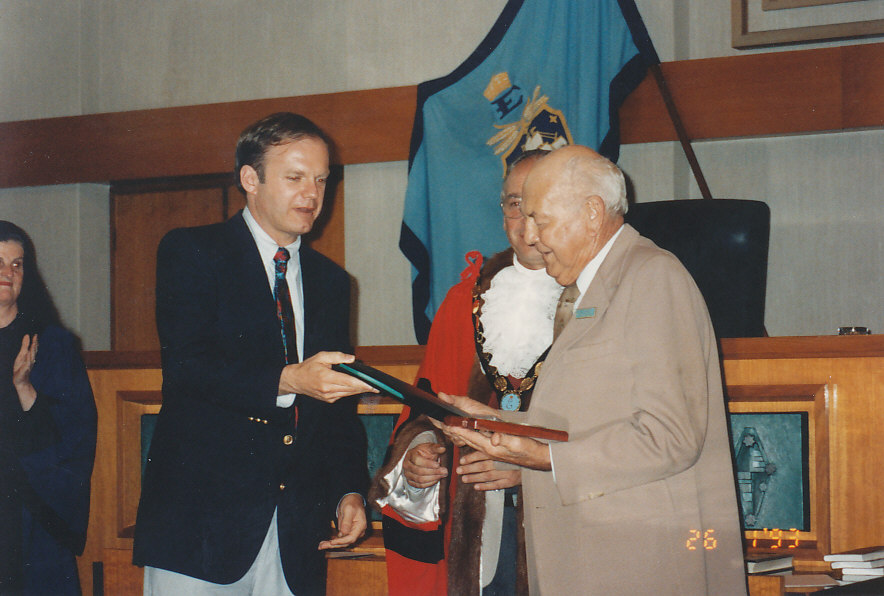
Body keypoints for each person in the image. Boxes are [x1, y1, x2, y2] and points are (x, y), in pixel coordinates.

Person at [438, 145, 748, 595]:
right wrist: (496, 421)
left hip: (638, 565)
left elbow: (670, 437)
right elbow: (590, 418)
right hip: (591, 558)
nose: (531, 236)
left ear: (591, 212)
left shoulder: (651, 277)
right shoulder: (593, 286)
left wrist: (542, 458)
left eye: (541, 220)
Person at [133, 113, 376, 596]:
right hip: (200, 529)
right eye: (295, 177)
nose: (312, 194)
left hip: (296, 535)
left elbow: (338, 408)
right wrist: (289, 380)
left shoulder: (332, 282)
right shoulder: (192, 251)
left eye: (321, 180)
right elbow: (188, 368)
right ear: (250, 179)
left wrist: (350, 490)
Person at [371, 151, 562, 596]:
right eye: (515, 203)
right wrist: (419, 454)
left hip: (568, 530)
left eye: (541, 202)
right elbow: (427, 405)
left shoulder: (603, 300)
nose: (526, 219)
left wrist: (532, 469)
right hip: (478, 534)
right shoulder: (465, 301)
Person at [0, 221, 97, 595]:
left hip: (30, 507)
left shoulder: (51, 345)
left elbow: (75, 430)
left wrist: (25, 388)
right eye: (0, 262)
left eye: (17, 264)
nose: (8, 273)